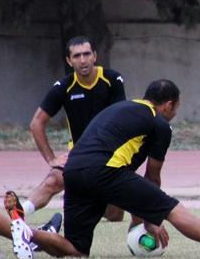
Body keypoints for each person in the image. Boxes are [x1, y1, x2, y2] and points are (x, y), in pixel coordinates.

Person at [9, 79, 200, 259]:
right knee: (171, 208)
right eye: (176, 108)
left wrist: (143, 214)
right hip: (103, 170)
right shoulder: (159, 124)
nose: (174, 113)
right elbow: (152, 178)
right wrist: (152, 217)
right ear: (168, 105)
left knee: (76, 249)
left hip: (73, 171)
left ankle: (27, 233)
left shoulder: (119, 108)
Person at [10, 36, 126, 223]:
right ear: (69, 61)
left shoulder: (112, 79)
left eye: (87, 54)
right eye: (77, 56)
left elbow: (121, 119)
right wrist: (51, 159)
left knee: (115, 214)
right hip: (80, 153)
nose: (83, 60)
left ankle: (85, 197)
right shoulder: (63, 87)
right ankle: (19, 215)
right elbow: (36, 123)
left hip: (111, 154)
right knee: (54, 180)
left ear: (95, 56)